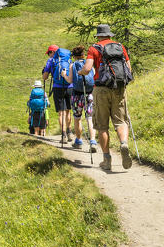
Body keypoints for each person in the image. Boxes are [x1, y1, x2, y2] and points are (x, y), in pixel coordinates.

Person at [77, 24, 133, 171]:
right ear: (110, 35)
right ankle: (124, 143)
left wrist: (81, 72)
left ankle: (106, 159)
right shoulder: (120, 46)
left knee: (102, 125)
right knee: (121, 120)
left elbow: (88, 68)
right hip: (119, 88)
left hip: (101, 88)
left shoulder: (94, 48)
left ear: (98, 36)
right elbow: (128, 68)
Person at [61, 45, 97, 153]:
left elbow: (70, 80)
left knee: (77, 118)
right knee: (90, 118)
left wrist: (64, 75)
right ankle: (93, 141)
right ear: (83, 54)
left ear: (74, 56)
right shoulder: (89, 63)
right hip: (89, 94)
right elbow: (94, 76)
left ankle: (79, 141)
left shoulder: (73, 65)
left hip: (77, 95)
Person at [42, 45, 73, 144]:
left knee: (61, 113)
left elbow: (45, 77)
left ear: (52, 52)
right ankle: (70, 132)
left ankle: (63, 135)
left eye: (49, 53)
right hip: (70, 87)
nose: (48, 56)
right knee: (68, 111)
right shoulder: (68, 59)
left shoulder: (51, 61)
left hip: (57, 88)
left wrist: (44, 71)